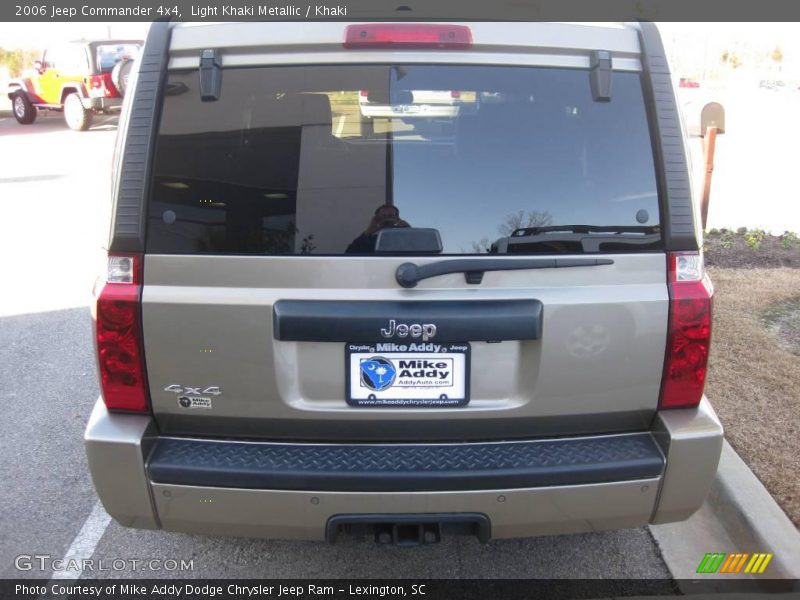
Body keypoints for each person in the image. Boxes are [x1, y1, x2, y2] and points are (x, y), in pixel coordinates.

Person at [346, 204, 410, 254]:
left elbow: (413, 248)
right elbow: (349, 253)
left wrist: (407, 230)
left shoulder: (402, 238)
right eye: (383, 216)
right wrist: (368, 231)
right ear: (377, 219)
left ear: (397, 218)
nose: (387, 219)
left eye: (390, 216)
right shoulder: (369, 240)